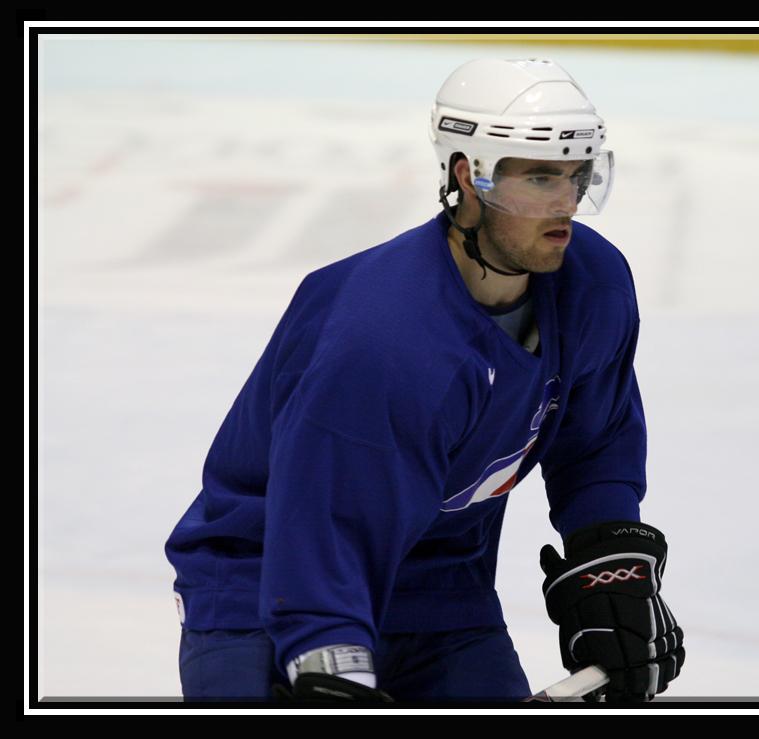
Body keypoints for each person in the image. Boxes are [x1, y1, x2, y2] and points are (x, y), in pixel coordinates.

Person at [164, 57, 684, 704]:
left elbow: (596, 436)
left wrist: (609, 563)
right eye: (539, 177)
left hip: (442, 589)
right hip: (270, 590)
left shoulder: (593, 284)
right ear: (469, 176)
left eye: (578, 175)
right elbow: (325, 525)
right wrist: (330, 664)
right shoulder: (384, 338)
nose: (565, 202)